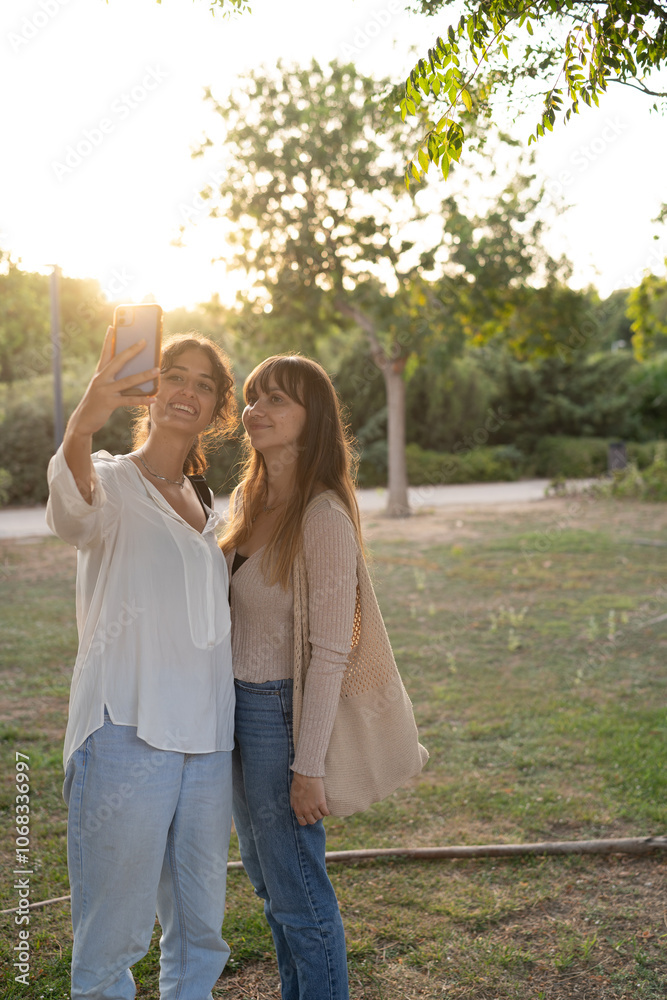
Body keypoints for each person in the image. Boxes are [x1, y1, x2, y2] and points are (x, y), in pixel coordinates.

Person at [46, 327, 237, 1000]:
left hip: (210, 740)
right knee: (113, 938)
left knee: (200, 929)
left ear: (218, 409)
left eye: (204, 383)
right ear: (151, 390)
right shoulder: (110, 480)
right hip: (126, 728)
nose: (188, 390)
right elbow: (72, 517)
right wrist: (79, 426)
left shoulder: (215, 506)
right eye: (175, 375)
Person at [219, 354, 365, 1000]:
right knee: (269, 885)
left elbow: (331, 651)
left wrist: (309, 767)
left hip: (280, 715)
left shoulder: (323, 517)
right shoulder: (248, 501)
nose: (257, 411)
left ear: (313, 421)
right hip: (232, 712)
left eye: (277, 399)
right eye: (254, 398)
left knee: (300, 893)